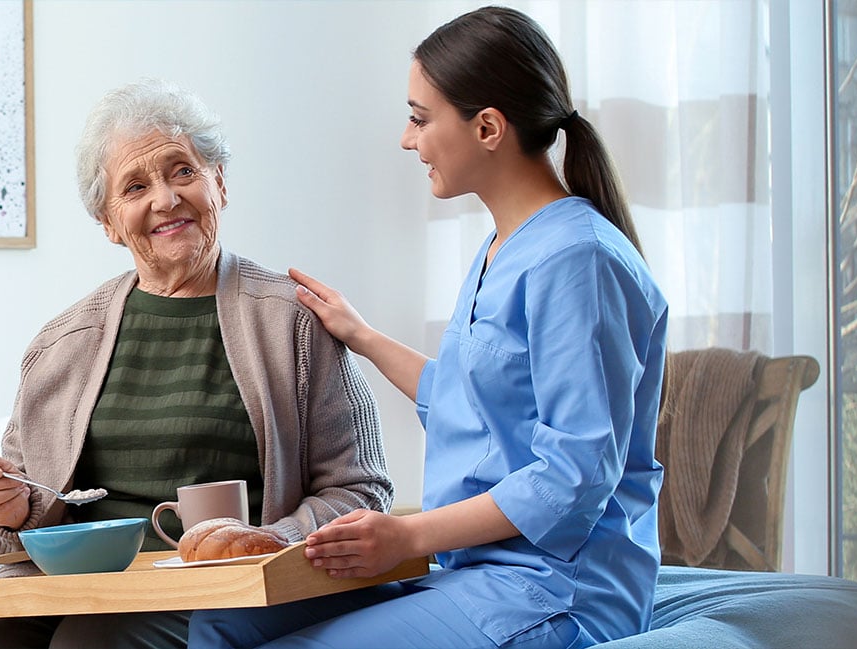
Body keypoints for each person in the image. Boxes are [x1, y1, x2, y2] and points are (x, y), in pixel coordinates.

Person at [188, 6, 668, 649]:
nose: (407, 140)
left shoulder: (576, 260)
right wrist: (359, 334)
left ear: (489, 127)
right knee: (223, 618)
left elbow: (574, 474)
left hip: (554, 591)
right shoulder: (503, 248)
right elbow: (468, 404)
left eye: (419, 118)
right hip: (470, 572)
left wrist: (407, 534)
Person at [0, 79, 394, 649]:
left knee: (91, 645)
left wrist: (268, 540)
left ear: (220, 183)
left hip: (227, 589)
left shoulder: (292, 321)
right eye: (135, 186)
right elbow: (9, 532)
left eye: (182, 171)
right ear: (109, 222)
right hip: (85, 587)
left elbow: (361, 489)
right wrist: (11, 509)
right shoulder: (60, 344)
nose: (165, 199)